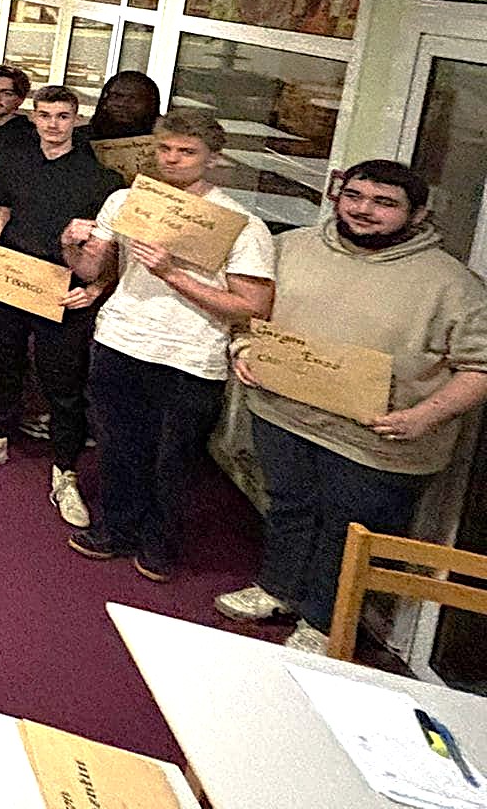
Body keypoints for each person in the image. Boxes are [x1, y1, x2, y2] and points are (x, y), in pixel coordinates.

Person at [217, 161, 487, 653]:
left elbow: (479, 367)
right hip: (284, 414)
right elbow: (249, 311)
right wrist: (242, 348)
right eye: (355, 196)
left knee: (354, 533)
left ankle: (325, 623)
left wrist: (425, 416)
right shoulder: (290, 247)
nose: (364, 210)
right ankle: (277, 589)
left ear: (418, 214)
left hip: (378, 441)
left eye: (384, 203)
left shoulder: (453, 285)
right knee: (288, 508)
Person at [60, 108, 276, 581]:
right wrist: (72, 243)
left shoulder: (240, 223)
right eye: (164, 148)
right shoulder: (127, 200)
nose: (172, 159)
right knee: (117, 446)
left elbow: (252, 305)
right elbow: (91, 270)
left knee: (174, 458)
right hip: (120, 339)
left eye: (187, 152)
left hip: (190, 356)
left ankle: (160, 543)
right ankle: (115, 528)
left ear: (213, 159)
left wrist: (172, 273)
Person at [0, 86, 122, 532]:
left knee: (62, 383)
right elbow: (2, 213)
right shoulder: (14, 160)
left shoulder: (101, 178)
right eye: (45, 116)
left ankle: (65, 470)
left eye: (62, 117)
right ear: (34, 118)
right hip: (8, 280)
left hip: (63, 289)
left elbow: (112, 248)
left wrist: (97, 288)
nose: (53, 124)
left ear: (75, 120)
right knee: (0, 364)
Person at [86, 69, 161, 141]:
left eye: (133, 99)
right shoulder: (80, 139)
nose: (121, 104)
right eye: (115, 96)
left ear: (151, 104)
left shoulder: (164, 143)